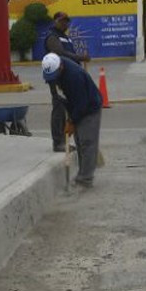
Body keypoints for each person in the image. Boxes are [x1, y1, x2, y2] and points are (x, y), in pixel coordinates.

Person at [42, 53, 102, 189]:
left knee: (87, 142)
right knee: (80, 142)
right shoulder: (53, 72)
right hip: (75, 106)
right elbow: (63, 96)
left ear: (61, 68)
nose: (53, 81)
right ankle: (83, 173)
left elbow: (82, 103)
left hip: (90, 107)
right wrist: (69, 119)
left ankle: (85, 179)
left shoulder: (74, 76)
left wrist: (72, 121)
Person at [43, 11, 90, 152]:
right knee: (59, 108)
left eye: (67, 21)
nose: (65, 23)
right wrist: (80, 57)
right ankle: (58, 143)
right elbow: (60, 53)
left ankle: (67, 140)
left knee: (69, 108)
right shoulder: (52, 36)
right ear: (55, 21)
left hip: (68, 77)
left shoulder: (65, 37)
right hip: (57, 77)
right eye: (62, 21)